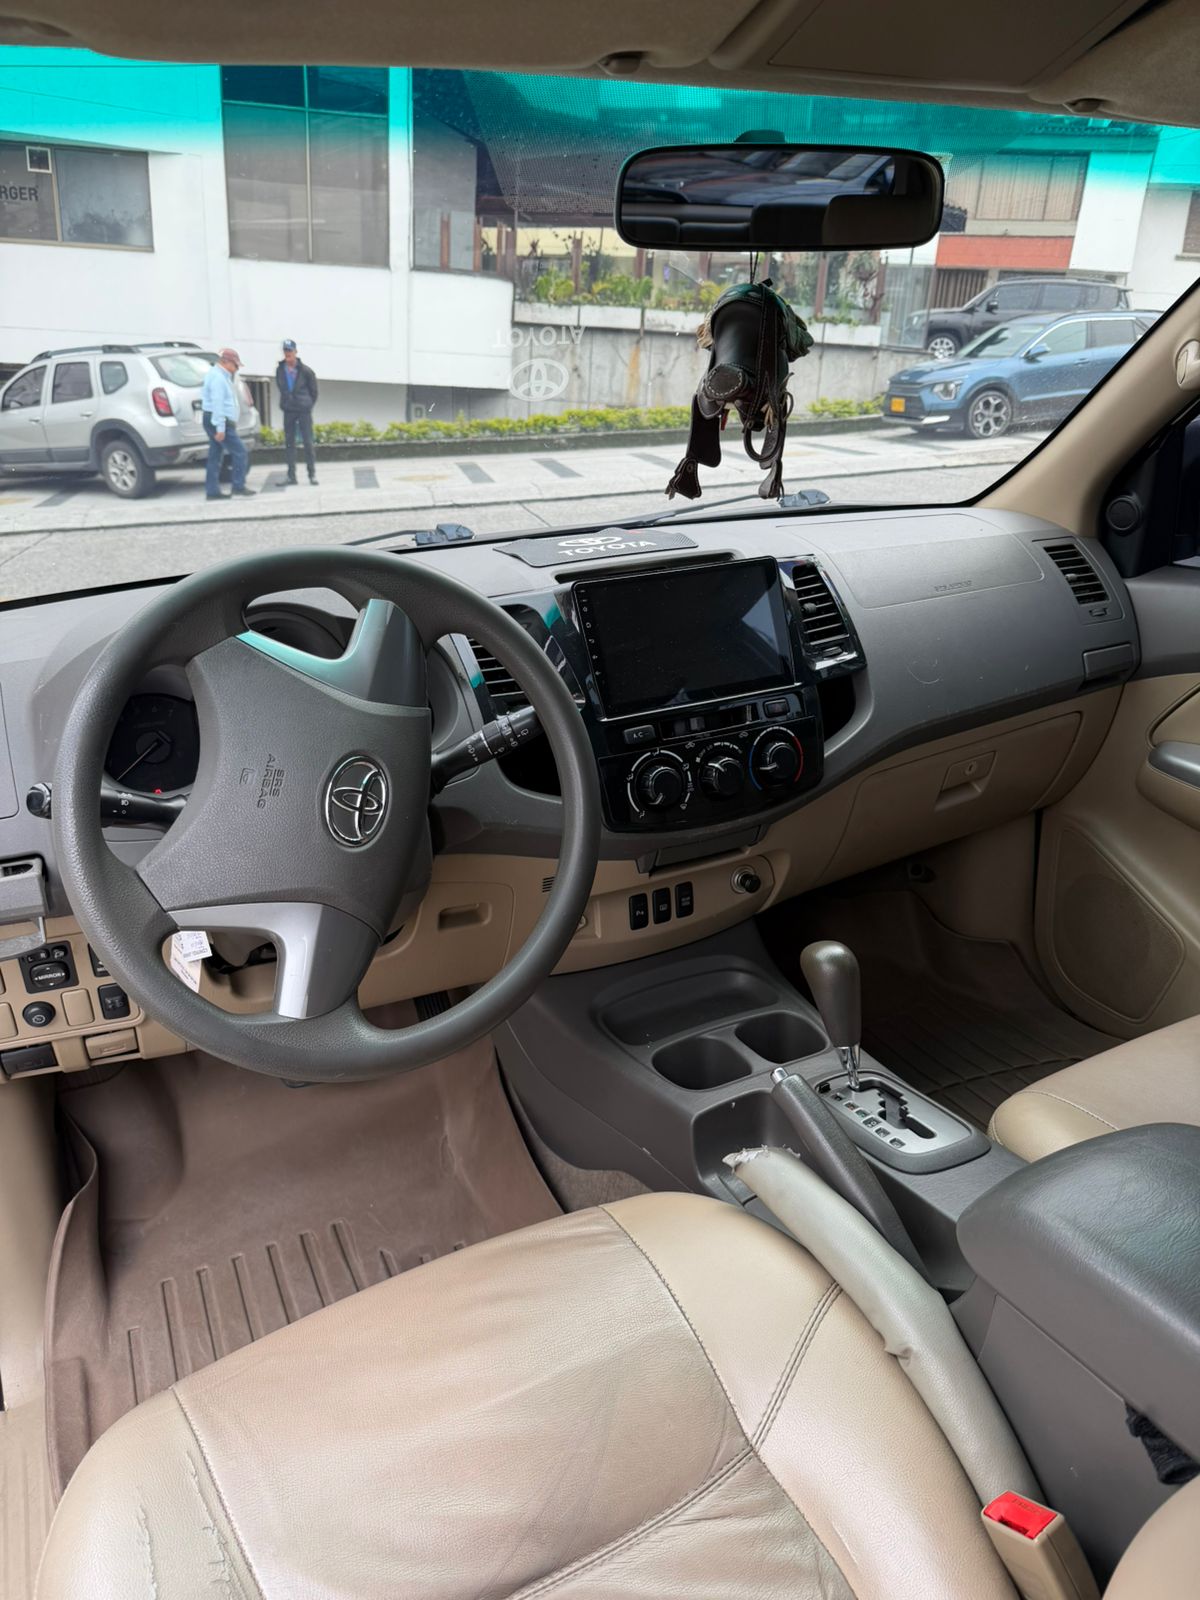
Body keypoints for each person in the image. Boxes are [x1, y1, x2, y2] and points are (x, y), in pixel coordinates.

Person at [201, 348, 254, 501]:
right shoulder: (218, 378)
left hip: (214, 419)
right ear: (226, 362)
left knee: (215, 455)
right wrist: (220, 428)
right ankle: (238, 487)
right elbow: (218, 404)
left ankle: (212, 491)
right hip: (219, 420)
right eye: (235, 365)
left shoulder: (218, 375)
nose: (237, 368)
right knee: (240, 452)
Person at [275, 338, 319, 485]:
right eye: (285, 351)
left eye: (290, 350)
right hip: (289, 410)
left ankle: (311, 474)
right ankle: (291, 476)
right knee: (289, 443)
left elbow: (314, 392)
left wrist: (307, 404)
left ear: (295, 352)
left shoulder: (306, 371)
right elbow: (281, 387)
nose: (288, 353)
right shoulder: (280, 369)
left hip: (303, 410)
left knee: (307, 442)